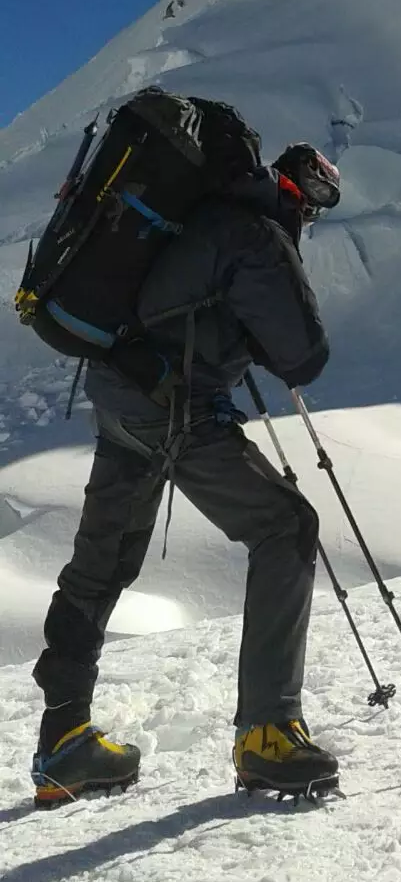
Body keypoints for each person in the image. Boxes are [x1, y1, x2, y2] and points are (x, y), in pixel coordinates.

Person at [30, 142, 342, 808]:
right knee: (287, 527)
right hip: (176, 408)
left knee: (101, 562)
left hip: (121, 395)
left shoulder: (199, 217)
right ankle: (267, 735)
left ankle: (64, 740)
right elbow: (304, 356)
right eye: (311, 206)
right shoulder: (257, 234)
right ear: (296, 192)